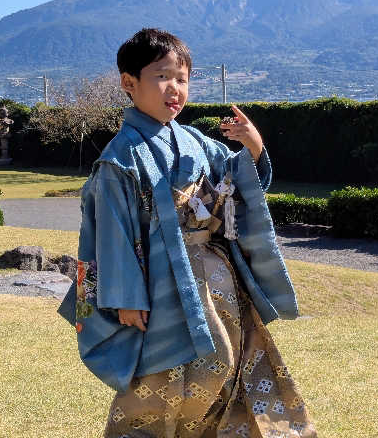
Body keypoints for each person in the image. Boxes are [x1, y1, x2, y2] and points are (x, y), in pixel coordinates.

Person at [58, 28, 316, 437]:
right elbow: (112, 233)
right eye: (162, 76)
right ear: (129, 83)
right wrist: (126, 299)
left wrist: (253, 148)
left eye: (182, 79)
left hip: (219, 284)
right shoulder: (119, 160)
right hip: (159, 288)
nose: (174, 89)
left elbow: (234, 178)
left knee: (230, 368)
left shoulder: (194, 140)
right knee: (162, 379)